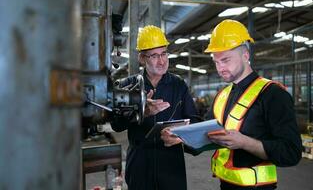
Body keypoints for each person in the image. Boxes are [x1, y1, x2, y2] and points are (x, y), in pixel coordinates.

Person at [161, 19, 302, 190]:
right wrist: (181, 139)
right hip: (225, 186)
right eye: (216, 62)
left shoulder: (273, 94)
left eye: (226, 60)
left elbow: (291, 153)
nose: (220, 68)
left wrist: (244, 142)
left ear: (245, 55)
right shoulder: (223, 95)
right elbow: (206, 137)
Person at [110, 25, 198, 190]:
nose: (162, 60)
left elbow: (194, 119)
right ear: (142, 58)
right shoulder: (127, 86)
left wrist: (181, 135)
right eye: (154, 56)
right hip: (140, 162)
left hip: (171, 161)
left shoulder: (178, 85)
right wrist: (140, 112)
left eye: (164, 53)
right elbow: (116, 124)